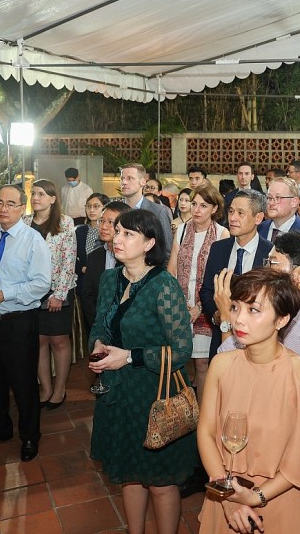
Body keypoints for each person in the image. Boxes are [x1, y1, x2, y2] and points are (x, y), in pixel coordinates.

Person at [197, 268, 300, 534]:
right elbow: (206, 431)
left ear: (282, 319)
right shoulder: (222, 365)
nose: (238, 320)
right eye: (235, 307)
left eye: (253, 310)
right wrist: (228, 497)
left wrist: (256, 497)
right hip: (225, 491)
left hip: (283, 498)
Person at [87, 209, 195, 534]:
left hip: (153, 393)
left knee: (160, 481)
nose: (117, 238)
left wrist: (129, 357)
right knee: (128, 472)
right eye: (116, 231)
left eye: (127, 234)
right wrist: (98, 345)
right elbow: (99, 326)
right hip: (117, 391)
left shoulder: (163, 286)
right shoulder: (110, 279)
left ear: (149, 242)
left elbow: (182, 350)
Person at [0, 184, 51, 462]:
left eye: (10, 204)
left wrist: (6, 294)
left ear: (22, 208)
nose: (3, 209)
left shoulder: (33, 240)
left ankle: (30, 436)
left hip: (18, 321)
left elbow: (42, 284)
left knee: (23, 383)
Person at [217, 231, 300, 379]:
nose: (267, 269)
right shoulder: (292, 306)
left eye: (273, 263)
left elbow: (234, 370)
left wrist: (226, 316)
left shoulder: (295, 326)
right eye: (267, 262)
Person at [167, 184, 228, 395]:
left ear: (214, 208)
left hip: (207, 304)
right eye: (194, 204)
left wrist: (200, 307)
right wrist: (180, 303)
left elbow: (221, 276)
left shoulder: (221, 233)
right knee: (181, 359)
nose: (197, 209)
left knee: (202, 362)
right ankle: (184, 411)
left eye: (203, 205)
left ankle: (203, 411)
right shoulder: (182, 229)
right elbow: (172, 268)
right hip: (181, 302)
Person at [22, 180, 77, 410]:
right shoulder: (24, 222)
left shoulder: (65, 223)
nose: (36, 198)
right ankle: (45, 387)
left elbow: (69, 261)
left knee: (58, 340)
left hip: (58, 290)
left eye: (41, 194)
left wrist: (59, 294)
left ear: (53, 199)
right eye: (33, 193)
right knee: (39, 341)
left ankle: (60, 388)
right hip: (31, 292)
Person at [200, 190, 273, 359]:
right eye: (231, 211)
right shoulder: (218, 249)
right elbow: (206, 290)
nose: (232, 218)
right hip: (222, 338)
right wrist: (217, 315)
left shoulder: (270, 253)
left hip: (257, 344)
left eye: (241, 213)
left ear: (258, 218)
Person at [81, 201, 132, 327]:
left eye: (110, 222)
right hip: (98, 326)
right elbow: (88, 295)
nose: (104, 226)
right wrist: (99, 323)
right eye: (102, 221)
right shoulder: (94, 256)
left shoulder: (132, 257)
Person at [119, 163, 174, 258]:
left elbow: (167, 251)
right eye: (122, 178)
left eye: (130, 178)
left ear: (143, 182)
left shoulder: (158, 211)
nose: (124, 182)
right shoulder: (115, 209)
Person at [258, 177, 300, 242]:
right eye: (269, 197)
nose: (271, 203)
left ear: (294, 202)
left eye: (278, 197)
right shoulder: (258, 229)